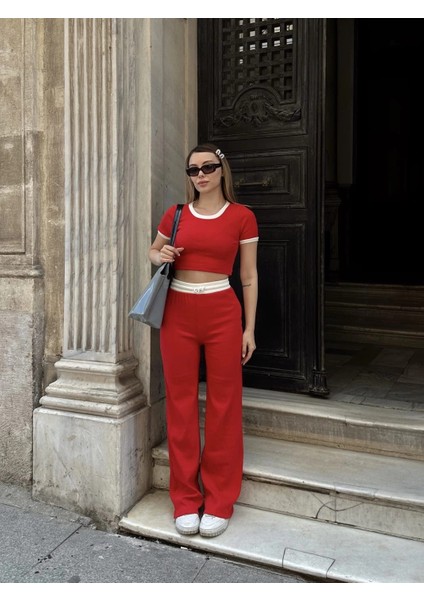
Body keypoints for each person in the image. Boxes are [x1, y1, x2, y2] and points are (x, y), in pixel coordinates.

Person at [148, 142, 258, 538]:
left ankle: (220, 499)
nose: (201, 175)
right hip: (177, 312)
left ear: (222, 169)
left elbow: (248, 276)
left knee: (224, 404)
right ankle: (184, 499)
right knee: (179, 404)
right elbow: (153, 251)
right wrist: (161, 255)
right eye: (193, 170)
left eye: (208, 167)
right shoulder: (176, 213)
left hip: (222, 311)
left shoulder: (242, 216)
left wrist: (249, 329)